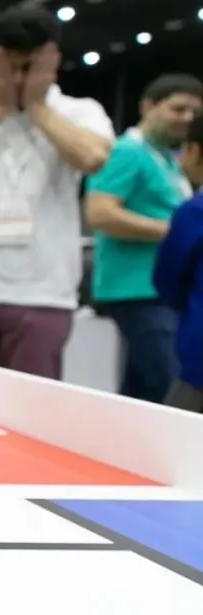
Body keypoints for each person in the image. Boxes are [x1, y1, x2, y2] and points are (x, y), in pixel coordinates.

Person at [0, 7, 114, 380]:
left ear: (52, 60)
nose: (17, 78)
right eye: (8, 67)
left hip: (43, 294)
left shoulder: (79, 112)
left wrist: (39, 108)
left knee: (31, 408)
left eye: (27, 67)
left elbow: (93, 157)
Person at [87, 73, 203, 402]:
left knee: (141, 393)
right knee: (170, 385)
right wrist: (174, 231)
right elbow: (100, 213)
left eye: (194, 112)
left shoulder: (167, 159)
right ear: (148, 107)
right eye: (178, 109)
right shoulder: (127, 152)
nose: (187, 118)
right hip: (138, 289)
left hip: (157, 293)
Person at [154, 113, 203, 411]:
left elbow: (169, 279)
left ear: (195, 150)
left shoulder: (194, 212)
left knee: (178, 429)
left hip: (199, 363)